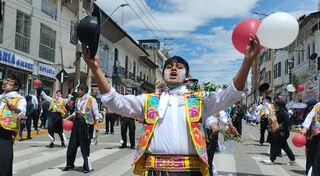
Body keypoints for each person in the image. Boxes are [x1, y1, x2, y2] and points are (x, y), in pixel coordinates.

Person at [82, 34, 260, 175]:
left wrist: (247, 62)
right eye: (169, 66)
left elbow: (230, 94)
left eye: (179, 66)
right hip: (155, 171)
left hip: (191, 171)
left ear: (187, 76)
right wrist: (95, 69)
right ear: (164, 73)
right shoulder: (149, 100)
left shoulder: (200, 100)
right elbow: (115, 101)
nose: (173, 68)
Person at [63, 84, 102, 173]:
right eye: (78, 90)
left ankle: (87, 166)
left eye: (79, 90)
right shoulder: (77, 100)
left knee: (84, 146)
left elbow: (96, 113)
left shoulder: (91, 99)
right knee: (72, 145)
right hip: (76, 122)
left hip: (86, 124)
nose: (78, 91)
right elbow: (75, 112)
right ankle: (69, 164)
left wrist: (97, 126)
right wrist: (66, 119)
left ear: (84, 90)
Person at [0, 75, 26, 176]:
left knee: (5, 161)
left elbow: (22, 113)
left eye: (9, 81)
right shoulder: (1, 97)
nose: (5, 82)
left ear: (15, 87)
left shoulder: (19, 98)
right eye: (5, 80)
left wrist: (15, 109)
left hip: (5, 132)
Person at [264, 96, 295, 165]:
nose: (274, 107)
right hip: (279, 132)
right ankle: (292, 159)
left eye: (275, 105)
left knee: (276, 145)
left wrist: (283, 131)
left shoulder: (283, 113)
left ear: (279, 106)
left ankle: (272, 160)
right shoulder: (279, 112)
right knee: (285, 146)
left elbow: (287, 123)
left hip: (282, 133)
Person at [301, 101, 320, 176]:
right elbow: (310, 116)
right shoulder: (318, 105)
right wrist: (305, 127)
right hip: (317, 134)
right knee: (316, 157)